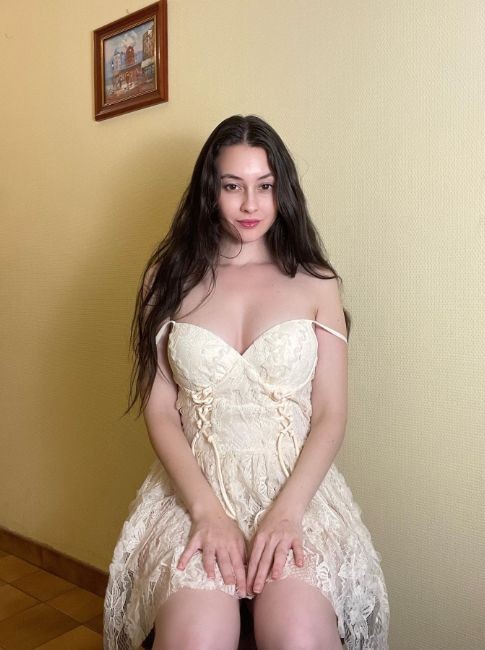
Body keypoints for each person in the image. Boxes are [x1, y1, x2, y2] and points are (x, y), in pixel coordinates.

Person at [103, 115, 389, 650]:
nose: (250, 204)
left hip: (296, 487)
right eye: (232, 186)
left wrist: (287, 513)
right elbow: (160, 411)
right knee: (197, 639)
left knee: (297, 636)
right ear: (209, 191)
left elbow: (330, 413)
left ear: (284, 190)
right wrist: (206, 512)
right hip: (194, 488)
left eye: (265, 186)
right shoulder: (166, 281)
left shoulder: (317, 282)